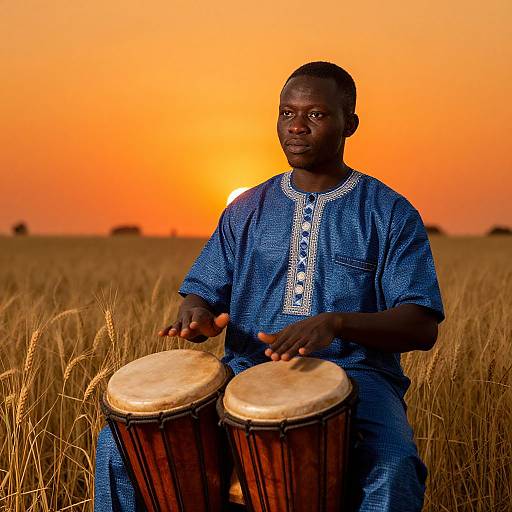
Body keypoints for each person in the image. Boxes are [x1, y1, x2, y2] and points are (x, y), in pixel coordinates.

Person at [94, 61, 444, 512]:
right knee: (119, 444)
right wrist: (196, 314)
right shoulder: (246, 209)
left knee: (392, 467)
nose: (296, 127)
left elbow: (420, 325)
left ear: (349, 124)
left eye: (315, 114)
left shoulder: (388, 212)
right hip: (245, 374)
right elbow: (202, 291)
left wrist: (336, 324)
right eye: (286, 113)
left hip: (358, 378)